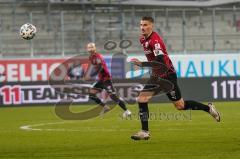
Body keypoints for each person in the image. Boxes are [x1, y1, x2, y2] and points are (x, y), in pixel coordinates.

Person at [130, 16, 220, 140]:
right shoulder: (143, 39)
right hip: (157, 76)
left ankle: (208, 108)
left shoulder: (155, 41)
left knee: (180, 106)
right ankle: (145, 131)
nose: (142, 27)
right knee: (144, 99)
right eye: (141, 25)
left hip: (167, 76)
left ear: (152, 26)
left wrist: (142, 64)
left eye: (145, 25)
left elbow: (161, 61)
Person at [81, 42, 131, 117]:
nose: (90, 49)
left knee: (113, 97)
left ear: (95, 48)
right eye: (89, 47)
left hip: (106, 79)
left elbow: (100, 68)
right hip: (101, 80)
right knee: (91, 95)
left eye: (92, 47)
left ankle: (127, 111)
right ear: (87, 49)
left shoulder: (98, 57)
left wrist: (90, 75)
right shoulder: (91, 57)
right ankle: (105, 107)